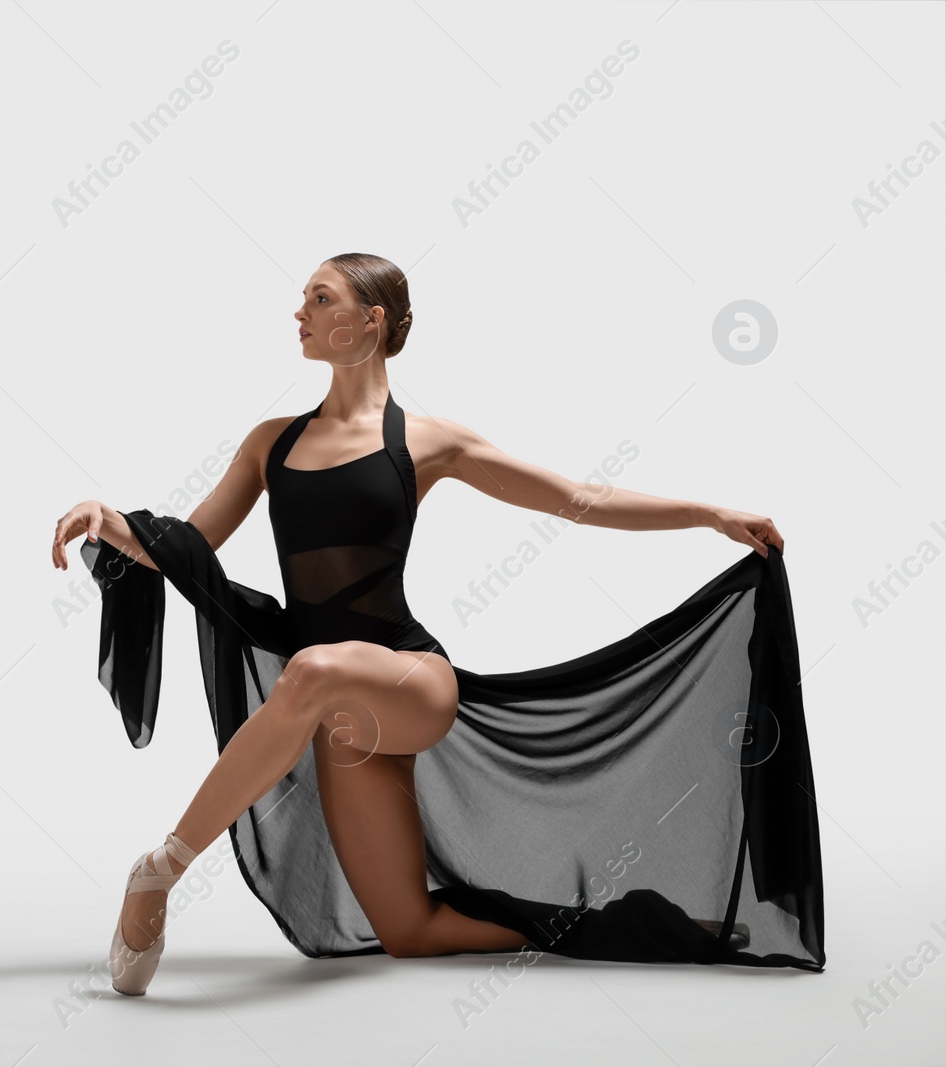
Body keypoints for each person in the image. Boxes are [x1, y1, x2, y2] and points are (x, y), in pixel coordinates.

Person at [51, 253, 794, 995]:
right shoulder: (270, 443)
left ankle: (160, 870)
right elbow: (191, 544)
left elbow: (575, 498)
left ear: (370, 322)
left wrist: (707, 514)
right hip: (344, 717)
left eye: (320, 296)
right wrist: (111, 521)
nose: (299, 311)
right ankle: (633, 919)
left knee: (310, 667)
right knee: (410, 931)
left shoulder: (428, 441)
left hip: (410, 680)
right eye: (302, 297)